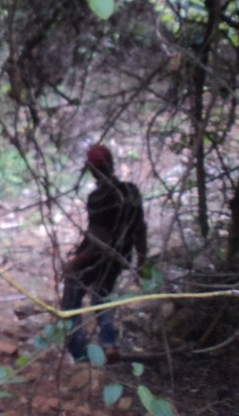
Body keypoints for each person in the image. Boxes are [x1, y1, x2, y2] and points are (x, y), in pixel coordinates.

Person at [60, 144, 148, 362]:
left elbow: (100, 242)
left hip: (97, 258)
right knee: (102, 295)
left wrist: (74, 263)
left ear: (91, 169)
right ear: (112, 164)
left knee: (72, 297)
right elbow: (140, 229)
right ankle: (108, 344)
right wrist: (141, 259)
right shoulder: (131, 191)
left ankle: (79, 353)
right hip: (120, 257)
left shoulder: (98, 198)